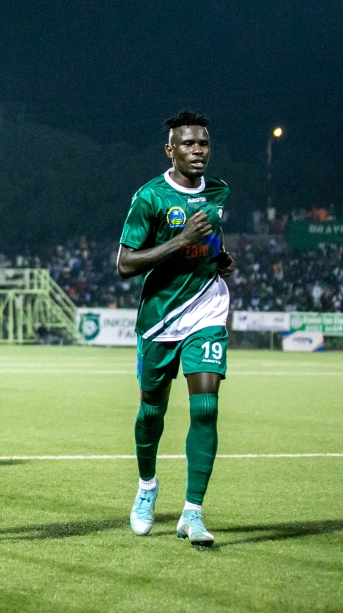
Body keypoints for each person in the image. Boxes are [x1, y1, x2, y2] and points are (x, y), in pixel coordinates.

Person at [117, 110, 236, 547]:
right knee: (152, 411)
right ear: (171, 149)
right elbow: (125, 264)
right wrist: (180, 241)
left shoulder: (219, 190)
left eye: (203, 143)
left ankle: (193, 512)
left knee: (205, 407)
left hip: (207, 309)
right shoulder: (149, 197)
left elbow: (213, 236)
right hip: (160, 318)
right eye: (188, 144)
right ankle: (147, 486)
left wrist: (219, 256)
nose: (198, 150)